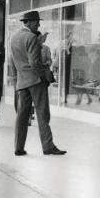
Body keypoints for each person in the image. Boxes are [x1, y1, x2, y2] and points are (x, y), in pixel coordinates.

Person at [10, 10, 65, 156]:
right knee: (42, 114)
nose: (39, 25)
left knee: (22, 115)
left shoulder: (14, 38)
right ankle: (48, 146)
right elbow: (35, 63)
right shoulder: (31, 37)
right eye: (37, 22)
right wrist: (45, 75)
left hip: (22, 81)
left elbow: (14, 61)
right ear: (31, 22)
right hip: (36, 81)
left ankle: (18, 147)